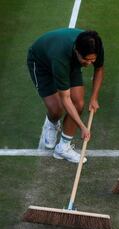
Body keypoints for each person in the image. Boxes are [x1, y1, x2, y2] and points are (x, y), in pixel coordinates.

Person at [27, 28, 104, 163]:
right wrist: (82, 127)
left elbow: (99, 68)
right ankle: (51, 123)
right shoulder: (60, 58)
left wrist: (94, 97)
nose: (89, 63)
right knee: (56, 109)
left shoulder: (96, 46)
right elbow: (66, 98)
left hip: (71, 62)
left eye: (92, 60)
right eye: (86, 60)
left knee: (79, 104)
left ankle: (63, 148)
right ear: (76, 51)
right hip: (41, 64)